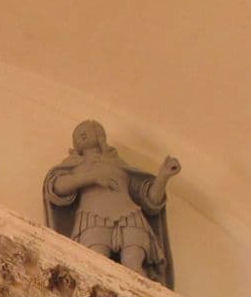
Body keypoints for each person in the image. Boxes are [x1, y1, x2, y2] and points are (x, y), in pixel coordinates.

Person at [43, 120, 178, 287]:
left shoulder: (120, 166)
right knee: (96, 267)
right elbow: (57, 187)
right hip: (93, 219)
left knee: (133, 265)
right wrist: (92, 177)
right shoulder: (73, 166)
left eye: (90, 129)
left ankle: (144, 293)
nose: (83, 133)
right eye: (79, 133)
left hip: (131, 217)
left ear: (101, 135)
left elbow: (151, 200)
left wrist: (163, 177)